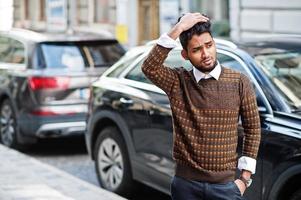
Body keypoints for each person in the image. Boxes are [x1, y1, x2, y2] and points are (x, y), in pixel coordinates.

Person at [141, 13, 261, 200]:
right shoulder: (177, 82)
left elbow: (252, 129)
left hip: (225, 187)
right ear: (185, 54)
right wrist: (178, 28)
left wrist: (244, 179)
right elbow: (149, 67)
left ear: (214, 43)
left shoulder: (239, 82)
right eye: (196, 50)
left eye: (209, 45)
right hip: (185, 186)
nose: (206, 54)